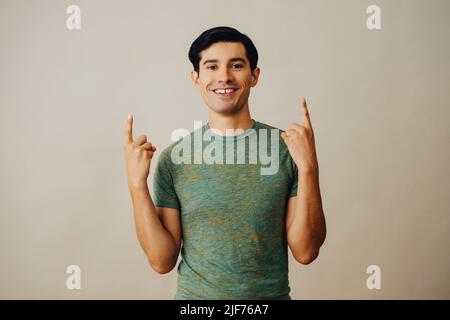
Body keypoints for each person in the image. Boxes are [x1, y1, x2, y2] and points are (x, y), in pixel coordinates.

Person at [124, 26, 326, 300]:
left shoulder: (287, 150)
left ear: (254, 75)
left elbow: (306, 251)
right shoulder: (173, 159)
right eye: (211, 66)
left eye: (236, 65)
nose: (224, 77)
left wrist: (309, 168)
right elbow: (162, 261)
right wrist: (137, 185)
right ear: (196, 77)